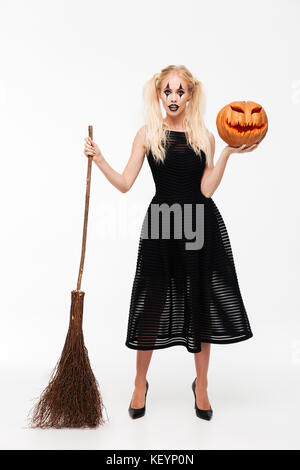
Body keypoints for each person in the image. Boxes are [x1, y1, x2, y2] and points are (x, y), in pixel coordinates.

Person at [83, 65, 260, 421]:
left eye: (180, 91)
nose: (173, 97)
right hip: (163, 225)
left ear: (190, 95)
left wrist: (226, 154)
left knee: (201, 305)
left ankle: (202, 385)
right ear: (159, 95)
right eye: (167, 91)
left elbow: (206, 190)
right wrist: (99, 158)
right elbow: (124, 183)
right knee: (152, 304)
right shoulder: (148, 134)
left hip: (199, 224)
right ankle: (139, 384)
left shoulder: (204, 136)